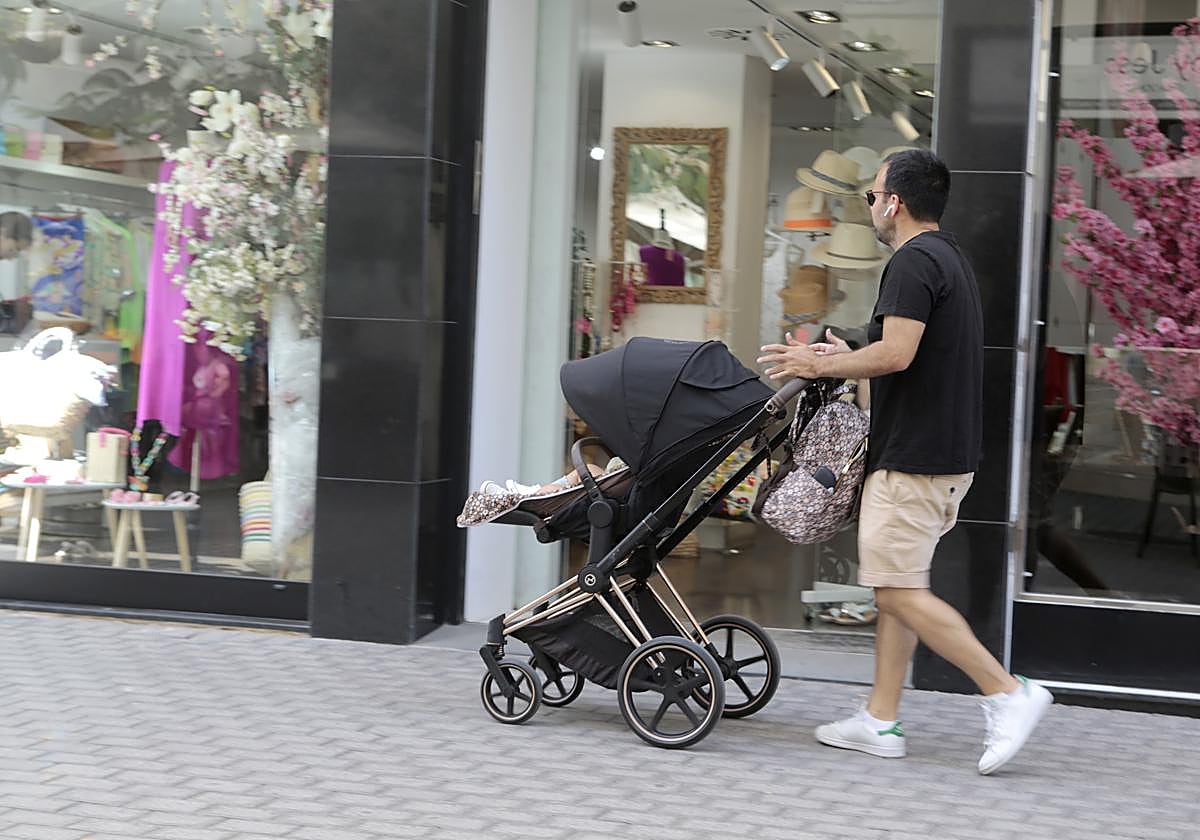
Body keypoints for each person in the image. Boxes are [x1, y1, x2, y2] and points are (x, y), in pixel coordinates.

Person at [757, 149, 1052, 775]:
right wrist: (851, 350)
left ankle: (1007, 692)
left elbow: (896, 354)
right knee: (901, 589)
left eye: (870, 196)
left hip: (915, 460)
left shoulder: (912, 261)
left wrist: (819, 363)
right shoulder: (950, 259)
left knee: (896, 589)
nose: (869, 207)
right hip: (942, 459)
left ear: (894, 202)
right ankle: (880, 718)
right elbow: (909, 353)